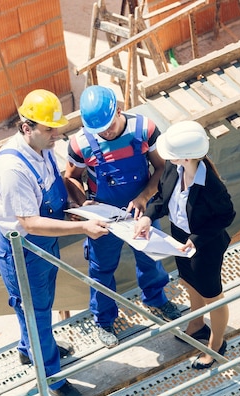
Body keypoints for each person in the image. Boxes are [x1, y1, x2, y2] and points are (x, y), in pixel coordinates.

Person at [0, 89, 109, 396]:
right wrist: (83, 227)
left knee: (38, 307)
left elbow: (56, 185)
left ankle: (31, 350)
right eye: (49, 129)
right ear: (26, 127)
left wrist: (80, 204)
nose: (56, 135)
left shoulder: (41, 148)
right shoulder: (13, 169)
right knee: (37, 312)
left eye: (56, 128)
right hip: (24, 250)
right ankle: (53, 378)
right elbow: (30, 223)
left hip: (43, 246)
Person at [64, 85, 182, 348]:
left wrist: (144, 197)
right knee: (101, 270)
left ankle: (157, 300)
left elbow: (162, 167)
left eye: (108, 126)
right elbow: (70, 177)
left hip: (140, 211)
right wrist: (84, 206)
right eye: (99, 130)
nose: (105, 133)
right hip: (103, 219)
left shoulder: (144, 129)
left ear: (119, 109)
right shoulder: (80, 143)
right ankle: (103, 321)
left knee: (149, 258)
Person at [133, 120, 236, 369]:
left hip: (205, 245)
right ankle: (197, 323)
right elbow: (162, 197)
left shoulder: (211, 185)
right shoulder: (173, 167)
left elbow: (226, 216)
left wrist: (195, 240)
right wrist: (148, 216)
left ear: (186, 158)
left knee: (213, 295)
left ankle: (216, 343)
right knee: (188, 280)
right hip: (179, 238)